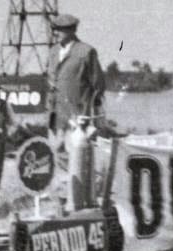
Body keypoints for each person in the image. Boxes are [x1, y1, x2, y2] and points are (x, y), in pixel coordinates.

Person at [46, 13, 105, 158]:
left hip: (78, 119)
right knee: (56, 158)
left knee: (77, 160)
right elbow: (51, 82)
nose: (55, 33)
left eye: (60, 29)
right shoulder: (53, 52)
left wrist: (94, 117)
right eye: (54, 29)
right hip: (56, 118)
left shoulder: (86, 52)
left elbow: (98, 86)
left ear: (72, 30)